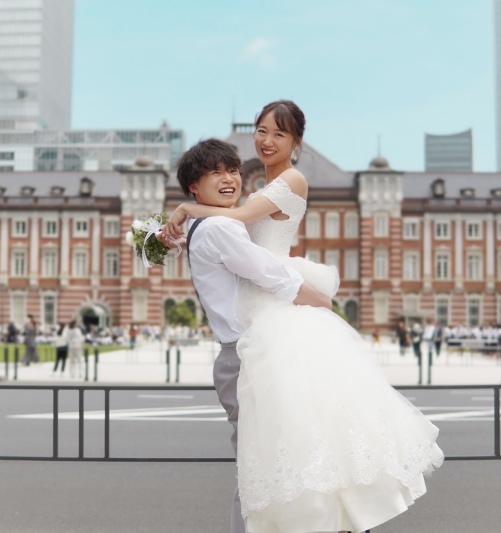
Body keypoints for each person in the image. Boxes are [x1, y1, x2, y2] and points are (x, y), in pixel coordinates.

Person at [166, 101, 442, 533]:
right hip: (266, 321)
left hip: (276, 321)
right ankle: (333, 520)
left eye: (278, 134)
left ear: (297, 142)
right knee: (296, 442)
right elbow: (236, 238)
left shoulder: (287, 181)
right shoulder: (243, 201)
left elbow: (238, 227)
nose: (266, 140)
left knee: (297, 441)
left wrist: (185, 211)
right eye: (261, 131)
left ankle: (338, 520)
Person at [165, 137, 333, 533]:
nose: (229, 179)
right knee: (261, 471)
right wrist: (323, 304)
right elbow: (273, 275)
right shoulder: (221, 227)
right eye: (215, 173)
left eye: (233, 171)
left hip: (243, 355)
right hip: (246, 358)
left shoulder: (205, 224)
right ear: (194, 186)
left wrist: (184, 214)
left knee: (265, 467)